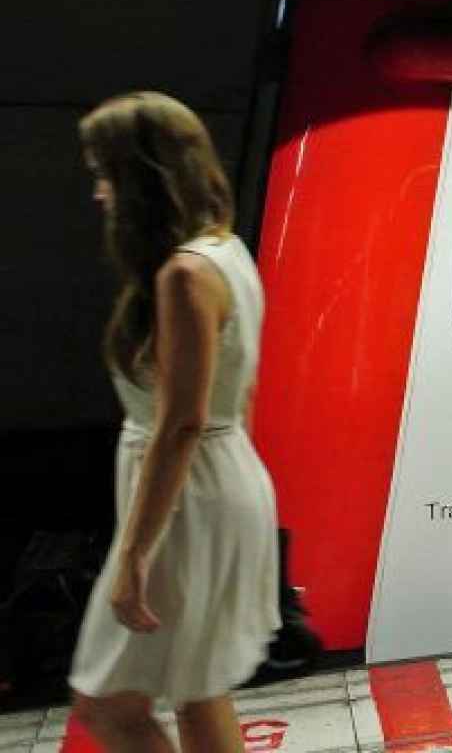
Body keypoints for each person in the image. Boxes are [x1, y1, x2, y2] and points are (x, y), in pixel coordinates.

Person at [69, 92, 281, 752]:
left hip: (186, 498)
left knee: (105, 703)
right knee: (196, 686)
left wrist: (134, 554)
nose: (100, 194)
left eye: (105, 174)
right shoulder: (224, 251)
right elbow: (230, 400)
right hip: (217, 480)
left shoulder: (183, 276)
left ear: (142, 182)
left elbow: (182, 423)